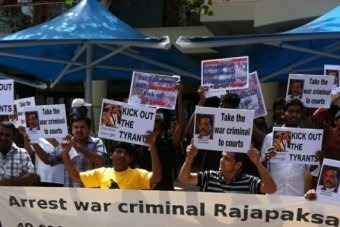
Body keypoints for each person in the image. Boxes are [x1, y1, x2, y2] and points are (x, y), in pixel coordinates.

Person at [61, 133, 162, 189]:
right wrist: (65, 153)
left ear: (131, 159)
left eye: (126, 153)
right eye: (118, 151)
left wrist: (152, 147)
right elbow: (76, 178)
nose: (122, 155)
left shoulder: (138, 175)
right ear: (110, 155)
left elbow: (156, 179)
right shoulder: (102, 173)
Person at [134, 81, 186, 190]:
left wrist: (179, 96)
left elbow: (181, 125)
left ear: (163, 132)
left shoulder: (168, 145)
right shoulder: (139, 148)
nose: (153, 132)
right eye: (151, 129)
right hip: (144, 193)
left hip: (165, 193)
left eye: (156, 130)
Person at [34, 114, 107, 187]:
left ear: (89, 129)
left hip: (91, 192)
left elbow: (100, 160)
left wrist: (78, 147)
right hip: (70, 194)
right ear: (72, 130)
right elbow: (48, 160)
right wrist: (34, 142)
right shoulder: (66, 144)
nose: (79, 130)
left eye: (82, 127)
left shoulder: (97, 142)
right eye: (76, 127)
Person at [261, 99, 316, 196]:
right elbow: (262, 169)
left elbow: (313, 172)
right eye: (290, 111)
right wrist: (266, 159)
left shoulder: (308, 140)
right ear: (283, 114)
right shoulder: (270, 138)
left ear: (301, 115)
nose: (294, 115)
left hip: (295, 196)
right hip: (274, 194)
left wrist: (318, 159)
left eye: (297, 112)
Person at [178, 141, 277, 194]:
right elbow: (184, 178)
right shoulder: (209, 176)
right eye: (222, 156)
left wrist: (258, 164)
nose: (221, 160)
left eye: (227, 159)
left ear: (238, 165)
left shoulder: (250, 182)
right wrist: (189, 158)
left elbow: (271, 188)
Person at [0, 121, 38, 186]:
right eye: (0, 134)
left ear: (13, 137)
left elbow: (32, 176)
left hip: (13, 195)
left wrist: (10, 183)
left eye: (7, 135)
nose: (3, 137)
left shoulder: (22, 153)